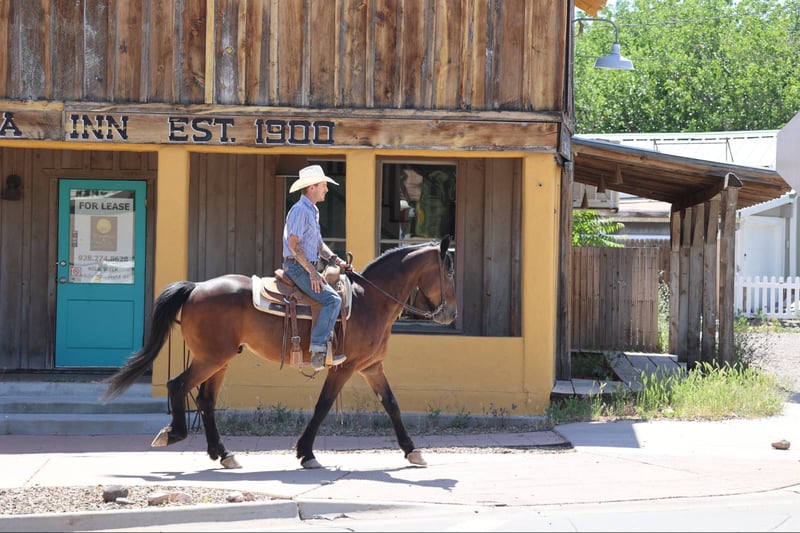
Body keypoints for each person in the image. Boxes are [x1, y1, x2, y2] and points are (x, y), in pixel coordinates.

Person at [282, 165, 348, 371]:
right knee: (333, 299)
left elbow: (318, 245)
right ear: (312, 187)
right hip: (297, 268)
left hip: (304, 266)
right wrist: (313, 273)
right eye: (324, 185)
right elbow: (294, 245)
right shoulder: (301, 210)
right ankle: (318, 351)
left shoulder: (313, 210)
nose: (327, 189)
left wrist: (336, 260)